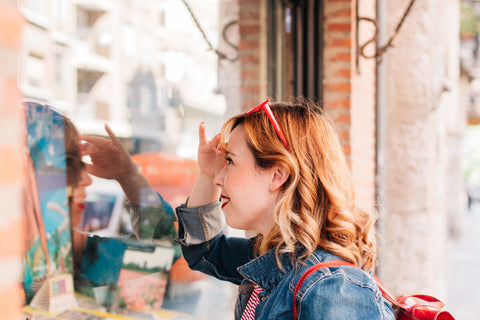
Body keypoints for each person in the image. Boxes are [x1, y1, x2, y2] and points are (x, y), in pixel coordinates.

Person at [83, 98, 394, 319]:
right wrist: (205, 174)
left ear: (277, 175)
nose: (220, 178)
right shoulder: (275, 261)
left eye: (229, 162)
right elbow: (202, 250)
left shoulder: (333, 288)